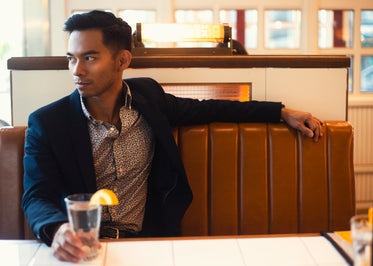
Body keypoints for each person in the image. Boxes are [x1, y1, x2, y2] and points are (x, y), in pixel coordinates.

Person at [21, 10, 323, 262]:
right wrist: (57, 229)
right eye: (71, 58)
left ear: (122, 61)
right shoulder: (48, 122)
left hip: (149, 245)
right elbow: (36, 195)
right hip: (80, 250)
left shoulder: (148, 97)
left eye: (89, 58)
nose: (77, 70)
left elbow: (208, 109)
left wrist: (280, 112)